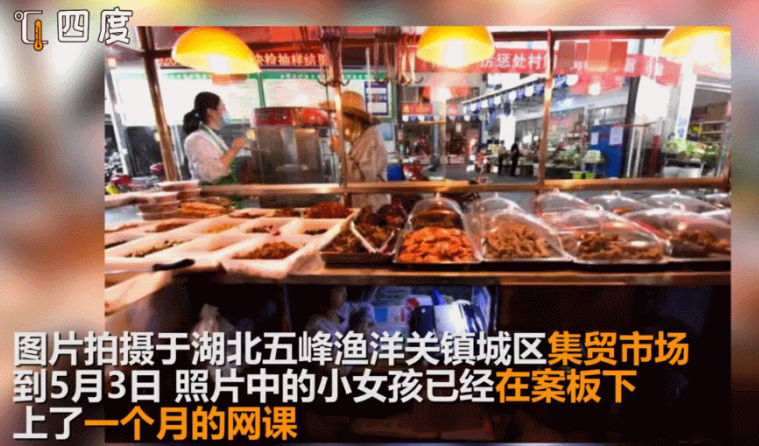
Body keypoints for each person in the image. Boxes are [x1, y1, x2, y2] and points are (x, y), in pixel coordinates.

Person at [323, 91, 390, 210]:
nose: (335, 125)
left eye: (337, 119)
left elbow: (363, 182)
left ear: (352, 120)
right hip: (359, 208)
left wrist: (340, 152)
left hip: (371, 210)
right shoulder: (356, 142)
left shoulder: (371, 140)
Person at [304, 286, 376, 375]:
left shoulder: (342, 309)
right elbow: (341, 369)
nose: (345, 294)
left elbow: (367, 306)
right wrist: (356, 337)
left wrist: (365, 321)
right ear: (324, 293)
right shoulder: (316, 329)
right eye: (340, 291)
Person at [182, 92, 248, 184]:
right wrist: (234, 149)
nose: (225, 112)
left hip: (226, 191)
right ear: (211, 112)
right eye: (223, 108)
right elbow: (211, 173)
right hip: (210, 192)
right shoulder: (196, 139)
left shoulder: (214, 137)